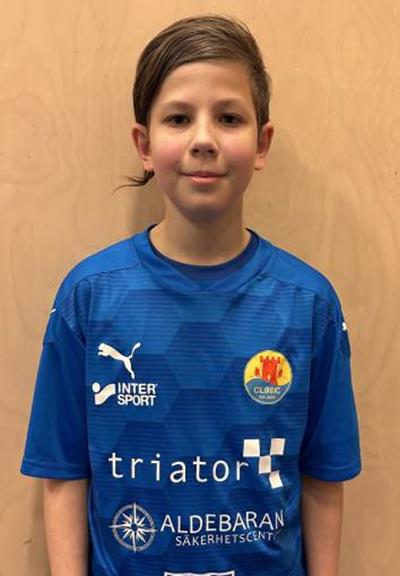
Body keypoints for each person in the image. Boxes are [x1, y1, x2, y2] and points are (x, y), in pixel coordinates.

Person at [20, 13, 361, 576]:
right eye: (179, 118)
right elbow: (63, 471)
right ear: (144, 144)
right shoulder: (88, 297)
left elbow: (323, 476)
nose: (204, 139)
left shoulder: (309, 305)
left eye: (229, 117)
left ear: (262, 143)